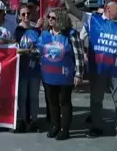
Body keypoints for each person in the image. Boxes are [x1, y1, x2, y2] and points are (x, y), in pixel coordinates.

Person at [62, 0, 117, 144]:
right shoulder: (92, 20)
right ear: (109, 8)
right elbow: (73, 10)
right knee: (96, 100)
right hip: (98, 70)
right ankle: (96, 126)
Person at [37, 8, 84, 141]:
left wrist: (79, 74)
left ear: (61, 19)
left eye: (53, 18)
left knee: (64, 102)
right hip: (48, 75)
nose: (50, 20)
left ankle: (65, 129)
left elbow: (78, 54)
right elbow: (39, 51)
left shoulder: (71, 34)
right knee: (52, 102)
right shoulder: (45, 34)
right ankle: (55, 126)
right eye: (49, 17)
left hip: (65, 75)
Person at [14, 4, 42, 133]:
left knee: (34, 97)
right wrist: (26, 51)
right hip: (21, 69)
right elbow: (14, 49)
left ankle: (34, 120)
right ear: (19, 15)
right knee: (22, 97)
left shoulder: (36, 31)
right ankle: (23, 120)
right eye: (23, 14)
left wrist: (26, 51)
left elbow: (40, 49)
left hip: (34, 69)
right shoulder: (17, 30)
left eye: (28, 14)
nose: (26, 16)